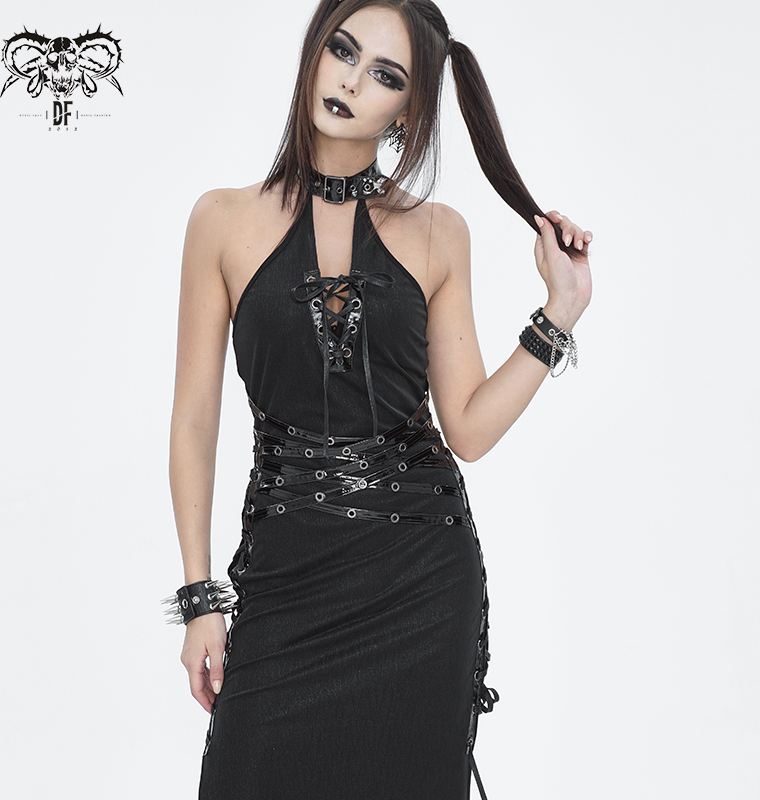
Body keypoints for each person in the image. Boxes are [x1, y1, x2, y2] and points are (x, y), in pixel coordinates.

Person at [164, 0, 592, 797]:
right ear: (314, 52)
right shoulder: (220, 220)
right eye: (343, 50)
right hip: (283, 582)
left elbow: (468, 429)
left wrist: (558, 313)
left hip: (418, 585)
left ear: (408, 110)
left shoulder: (440, 232)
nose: (352, 80)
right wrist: (199, 601)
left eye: (385, 75)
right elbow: (194, 421)